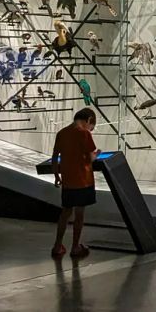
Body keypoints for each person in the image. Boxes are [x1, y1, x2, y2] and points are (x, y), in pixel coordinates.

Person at [51, 107, 100, 258]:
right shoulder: (84, 133)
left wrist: (56, 175)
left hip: (67, 180)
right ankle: (75, 247)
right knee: (79, 214)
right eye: (92, 126)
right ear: (89, 120)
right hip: (83, 181)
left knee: (65, 213)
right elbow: (91, 158)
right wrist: (98, 153)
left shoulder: (62, 133)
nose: (90, 129)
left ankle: (57, 246)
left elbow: (55, 156)